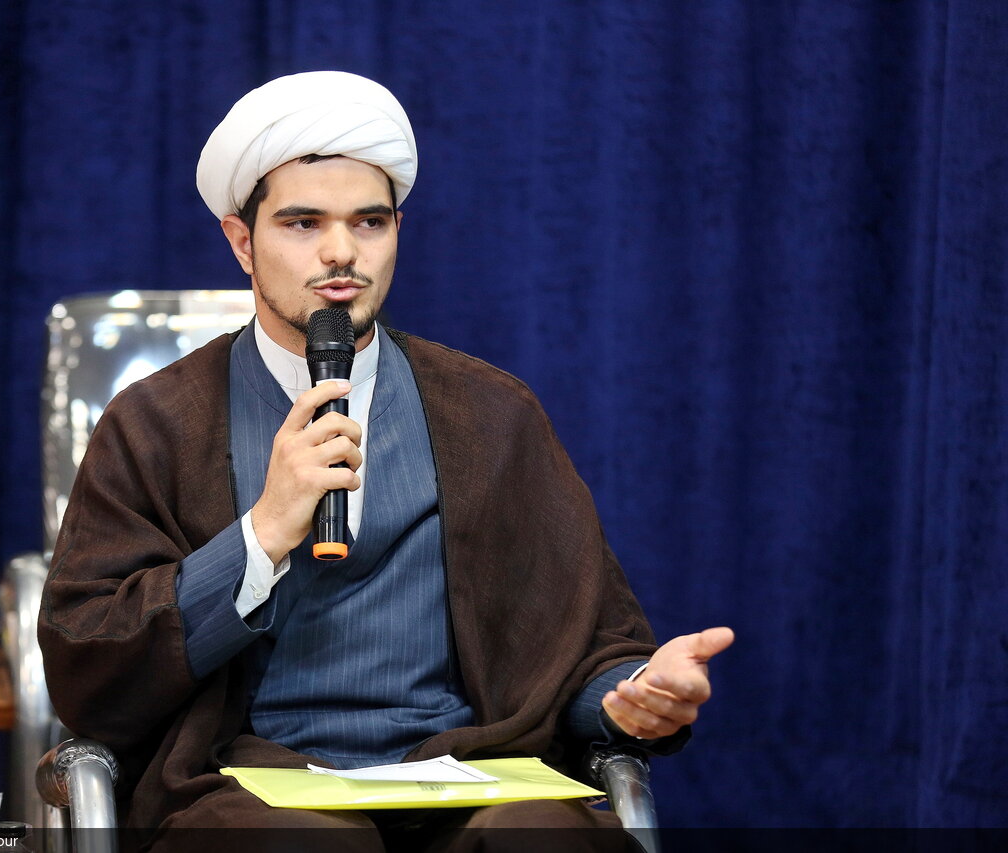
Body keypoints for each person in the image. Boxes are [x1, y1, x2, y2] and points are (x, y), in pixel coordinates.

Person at [39, 71, 733, 850]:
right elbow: (89, 659)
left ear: (397, 229)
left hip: (463, 770)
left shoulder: (492, 411)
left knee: (543, 837)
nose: (341, 252)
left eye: (368, 222)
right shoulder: (154, 423)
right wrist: (262, 533)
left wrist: (630, 694)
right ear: (242, 241)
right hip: (244, 781)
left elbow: (578, 647)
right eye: (303, 223)